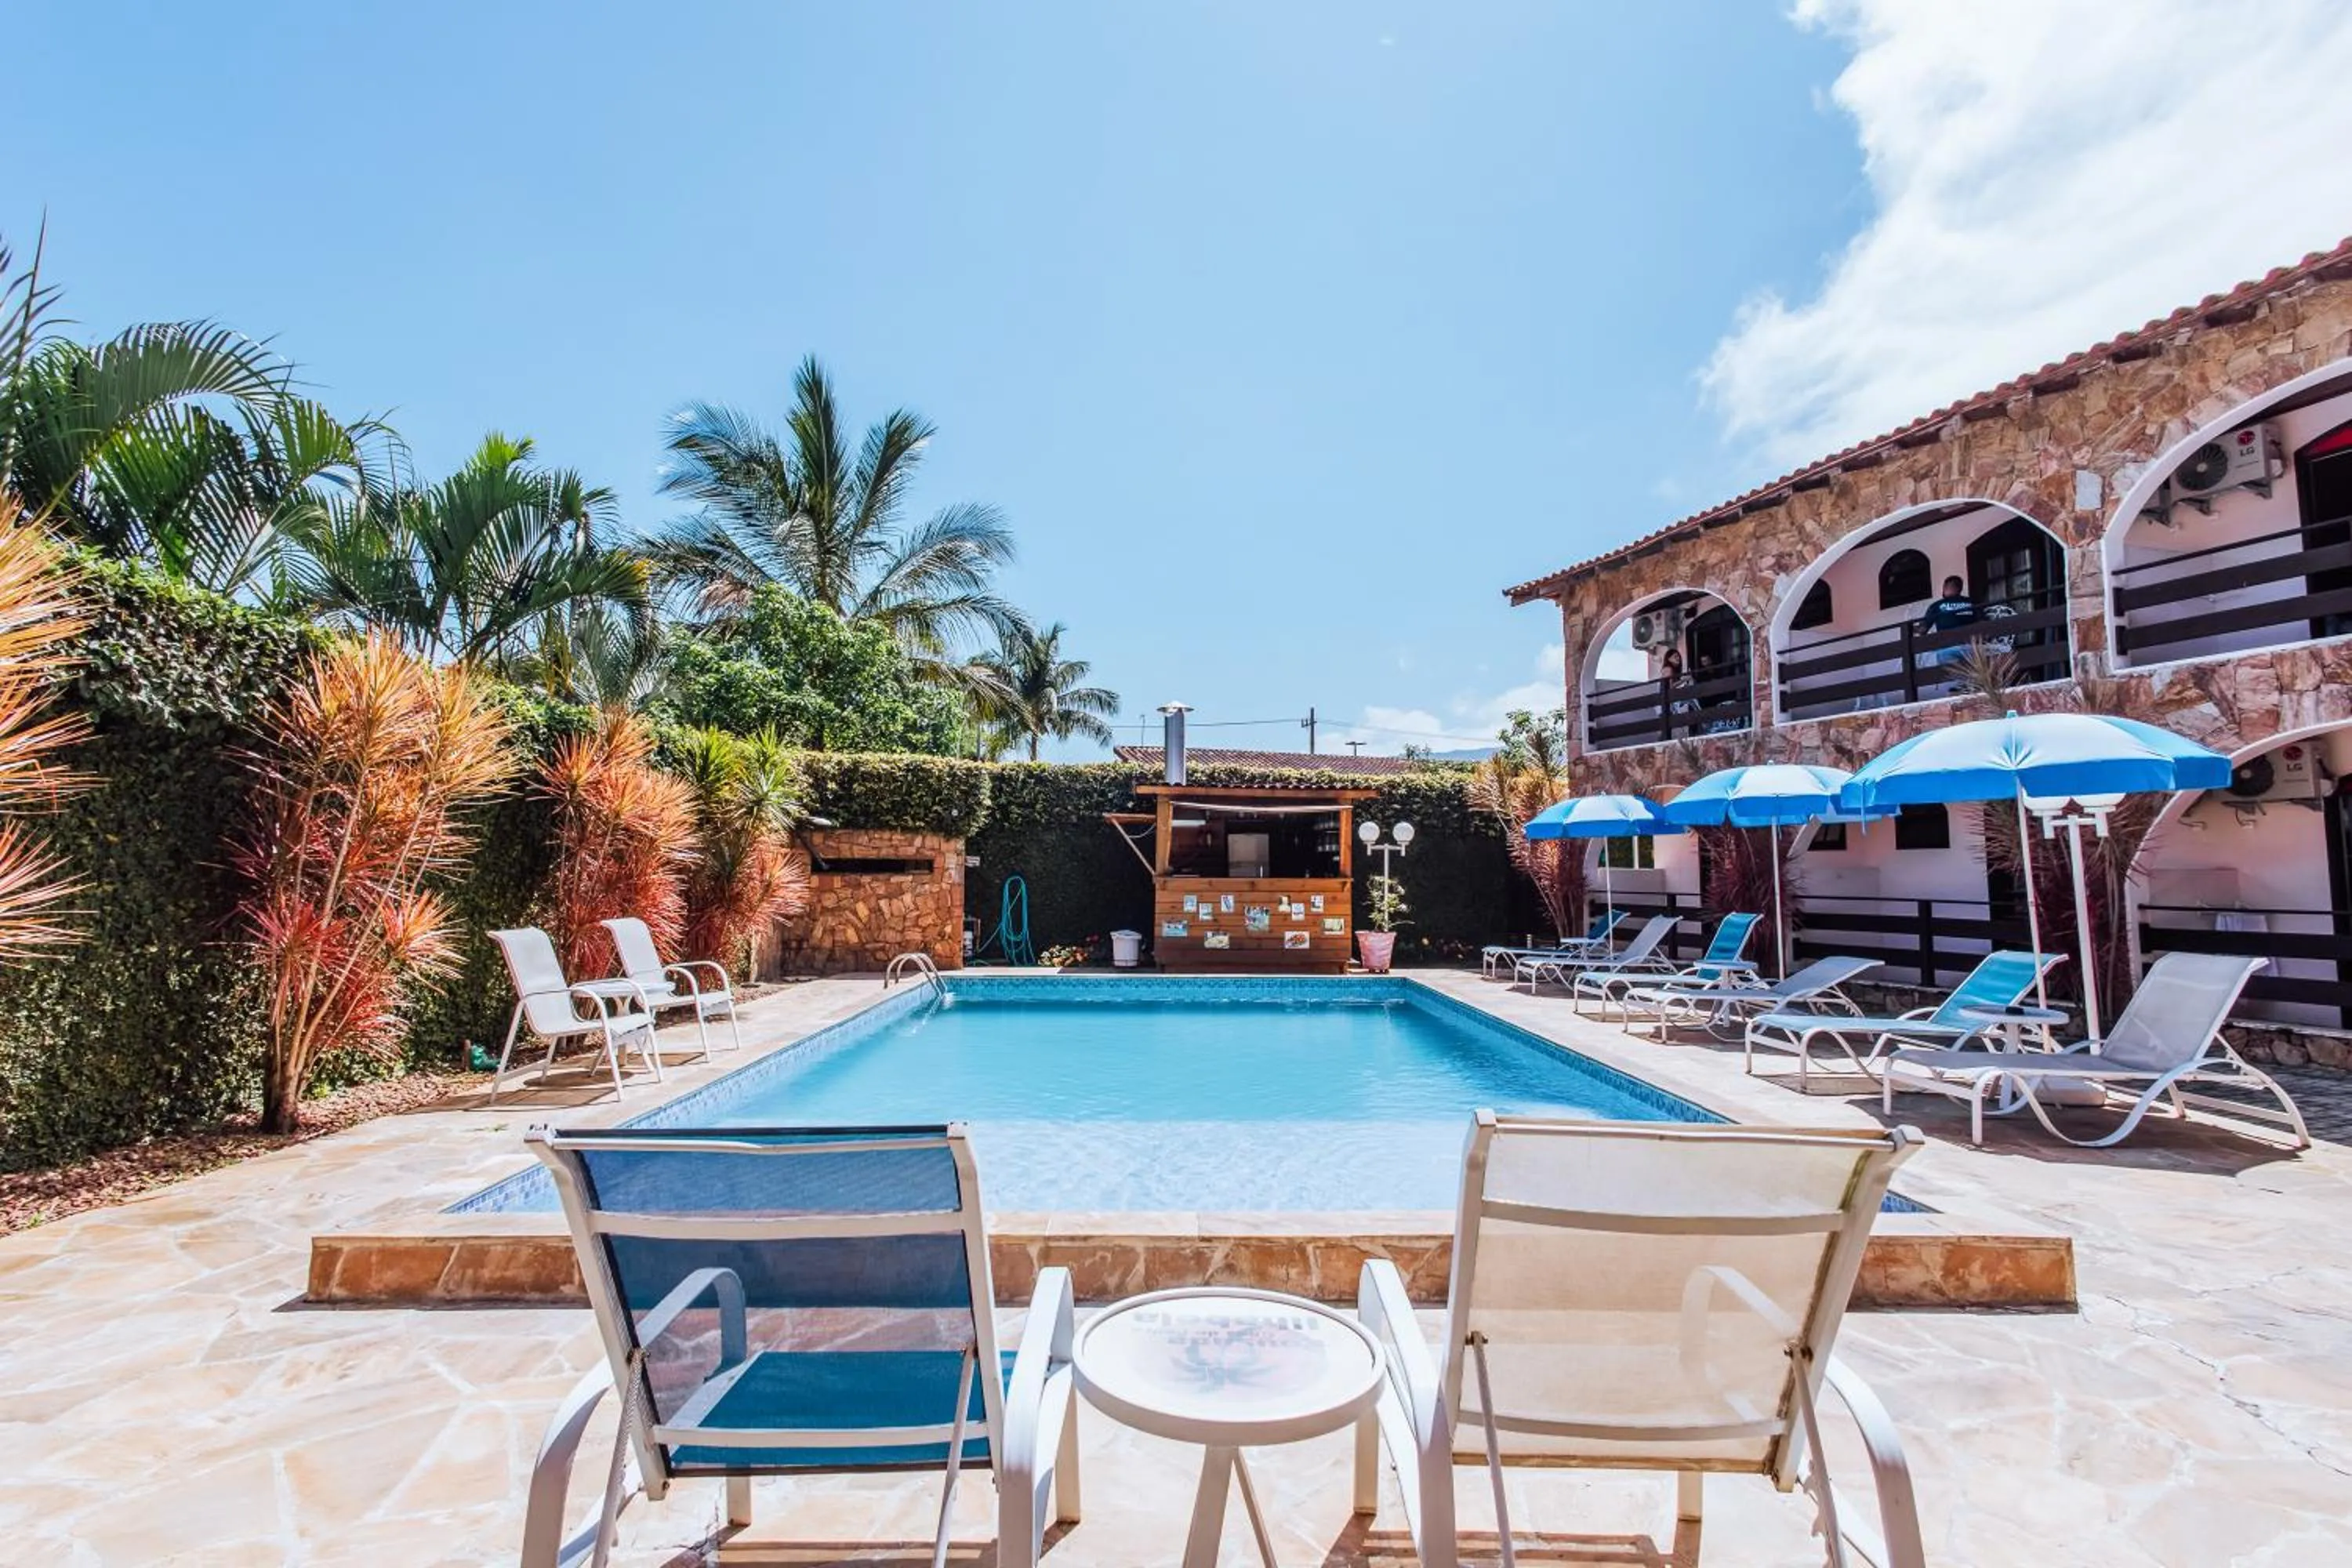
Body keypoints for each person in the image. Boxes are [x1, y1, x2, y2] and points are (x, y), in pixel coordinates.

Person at [1918, 575, 1979, 673]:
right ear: (1960, 588)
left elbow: (1923, 629)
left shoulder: (1937, 606)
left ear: (1946, 587)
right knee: (1974, 677)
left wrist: (1912, 631)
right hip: (1971, 646)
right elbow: (1983, 623)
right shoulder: (1972, 602)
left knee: (1950, 679)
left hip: (1946, 648)